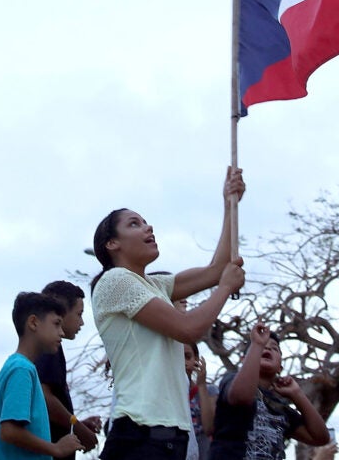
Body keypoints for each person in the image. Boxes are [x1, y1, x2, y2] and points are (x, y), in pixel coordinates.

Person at [90, 166, 247, 460]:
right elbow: (188, 329)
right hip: (138, 435)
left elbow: (216, 269)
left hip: (169, 436)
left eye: (147, 222)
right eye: (134, 224)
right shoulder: (115, 281)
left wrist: (230, 204)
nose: (148, 228)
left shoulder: (156, 284)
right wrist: (225, 289)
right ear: (112, 244)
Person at [209, 323, 330, 460]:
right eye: (262, 346)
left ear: (280, 367)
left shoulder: (279, 407)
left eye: (274, 348)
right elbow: (241, 397)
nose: (266, 347)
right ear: (244, 360)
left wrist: (297, 394)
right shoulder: (231, 380)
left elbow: (320, 437)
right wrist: (256, 345)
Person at [0, 292, 84, 459]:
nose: (61, 332)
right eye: (56, 324)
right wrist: (56, 449)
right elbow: (9, 431)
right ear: (33, 323)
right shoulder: (21, 370)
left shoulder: (22, 368)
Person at [36, 280, 103, 456]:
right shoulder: (48, 349)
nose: (81, 323)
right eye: (79, 314)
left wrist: (76, 425)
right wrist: (77, 427)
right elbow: (44, 398)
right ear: (60, 313)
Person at [186, 341, 217, 459]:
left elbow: (209, 427)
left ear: (196, 360)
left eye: (187, 357)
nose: (183, 362)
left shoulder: (210, 390)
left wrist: (202, 384)